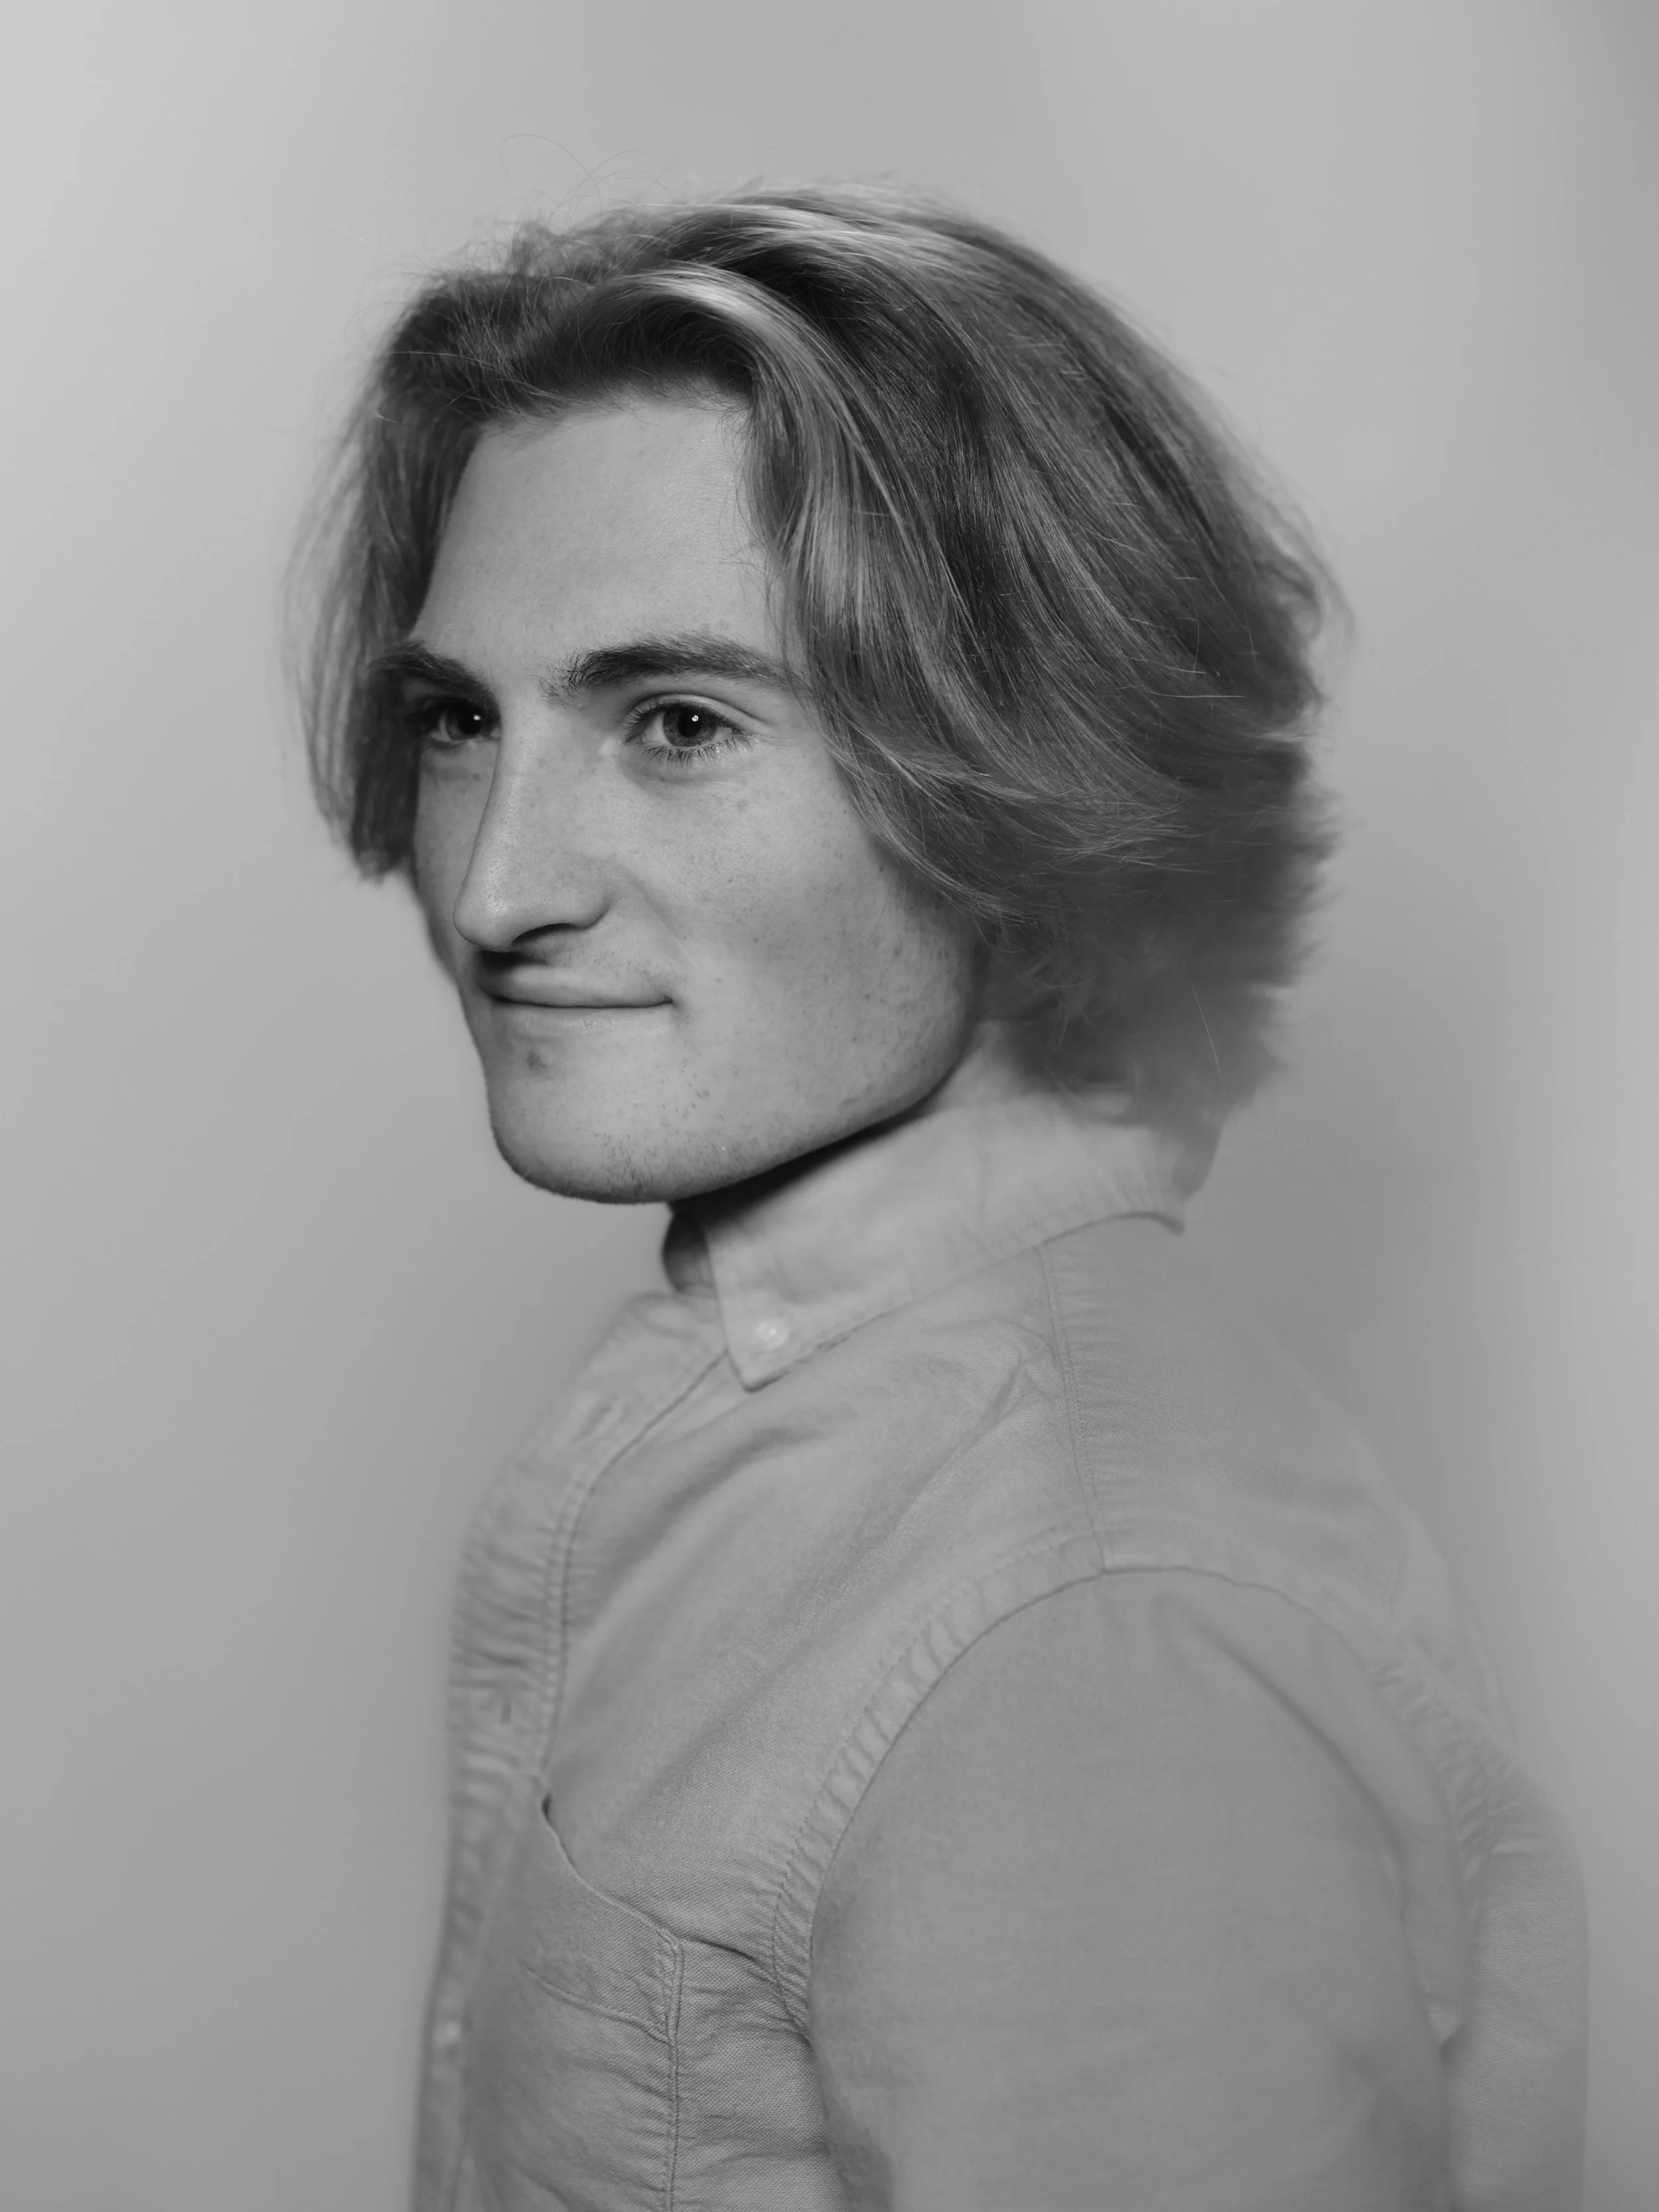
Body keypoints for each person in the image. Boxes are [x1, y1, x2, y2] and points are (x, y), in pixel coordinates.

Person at [297, 188, 1587, 2211]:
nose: (494, 885)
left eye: (678, 724)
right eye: (461, 719)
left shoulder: (1093, 1632)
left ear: (1029, 769)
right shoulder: (773, 1420)